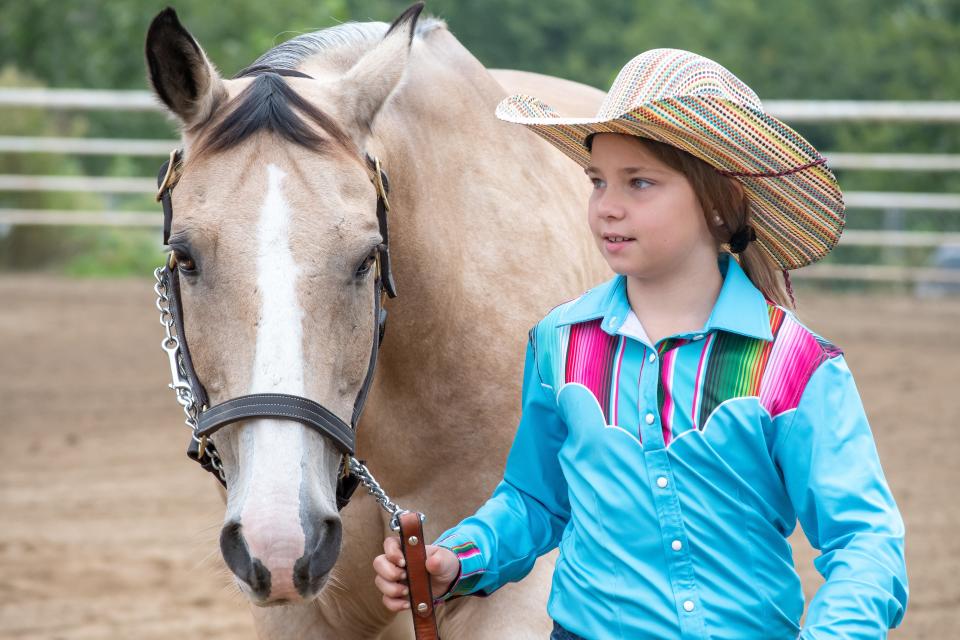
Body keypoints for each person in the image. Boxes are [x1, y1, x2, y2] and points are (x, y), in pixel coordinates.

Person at [372, 48, 908, 639]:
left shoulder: (795, 366)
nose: (608, 207)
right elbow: (535, 501)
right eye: (598, 181)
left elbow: (863, 541)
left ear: (718, 200)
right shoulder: (560, 344)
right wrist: (461, 558)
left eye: (640, 183)